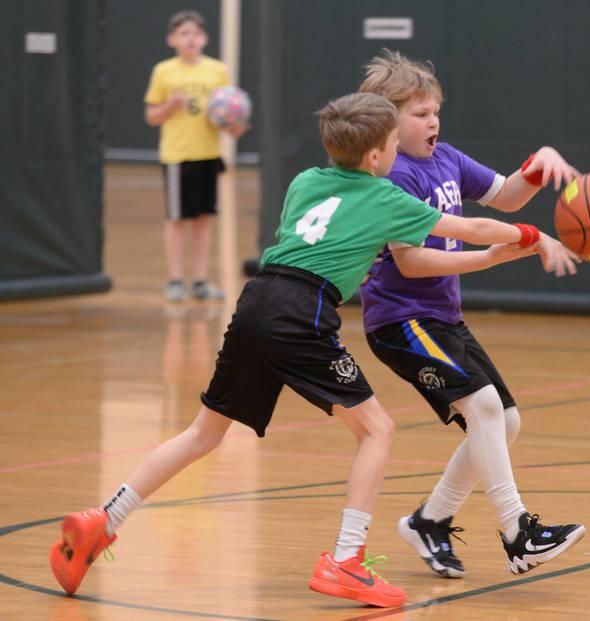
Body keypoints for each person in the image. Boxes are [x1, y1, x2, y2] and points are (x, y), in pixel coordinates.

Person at [49, 92, 561, 608]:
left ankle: (103, 519)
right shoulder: (386, 198)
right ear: (378, 157)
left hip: (255, 300)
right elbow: (469, 227)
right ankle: (345, 560)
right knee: (376, 430)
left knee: (203, 433)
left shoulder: (304, 183)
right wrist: (529, 235)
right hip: (303, 311)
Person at [358, 49, 586, 579]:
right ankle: (518, 532)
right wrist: (485, 257)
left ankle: (430, 520)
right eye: (420, 113)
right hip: (400, 320)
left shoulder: (448, 159)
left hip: (440, 317)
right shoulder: (394, 179)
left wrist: (537, 165)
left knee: (505, 421)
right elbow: (410, 264)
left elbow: (505, 197)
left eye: (435, 109)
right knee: (483, 404)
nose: (433, 120)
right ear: (388, 123)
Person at [144, 10, 247, 302]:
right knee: (177, 219)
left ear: (204, 38)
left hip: (208, 154)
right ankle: (175, 280)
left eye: (195, 33)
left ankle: (200, 281)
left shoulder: (217, 71)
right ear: (172, 40)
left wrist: (233, 126)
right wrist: (170, 106)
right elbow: (151, 115)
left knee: (204, 219)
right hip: (178, 156)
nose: (190, 38)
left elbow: (225, 115)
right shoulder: (164, 71)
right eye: (183, 34)